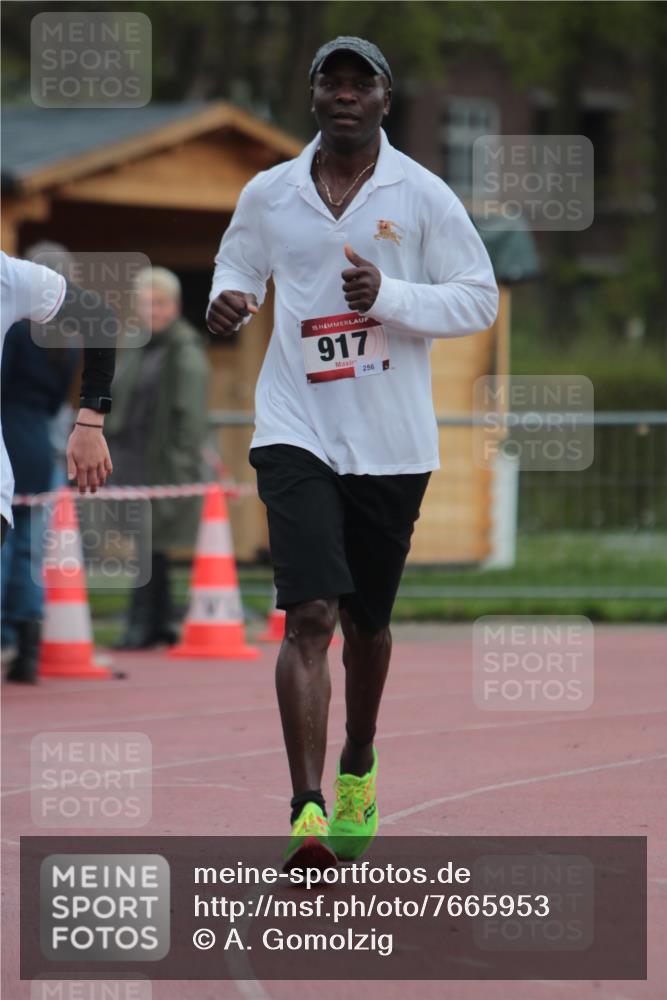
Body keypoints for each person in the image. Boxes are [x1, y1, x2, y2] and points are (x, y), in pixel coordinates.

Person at [207, 36, 498, 871]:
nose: (343, 95)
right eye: (329, 82)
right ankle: (305, 809)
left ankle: (359, 757)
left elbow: (477, 298)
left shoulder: (424, 195)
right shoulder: (269, 192)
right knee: (309, 617)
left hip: (391, 442)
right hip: (295, 427)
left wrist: (392, 296)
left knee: (367, 623)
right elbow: (239, 259)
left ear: (383, 98)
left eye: (358, 83)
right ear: (311, 98)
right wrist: (232, 295)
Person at [105, 267, 210, 650]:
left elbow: (189, 416)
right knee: (147, 544)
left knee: (152, 544)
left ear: (176, 306)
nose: (153, 311)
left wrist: (180, 466)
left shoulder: (185, 350)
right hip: (133, 458)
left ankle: (142, 626)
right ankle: (159, 622)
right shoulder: (136, 344)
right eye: (146, 303)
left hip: (164, 464)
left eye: (160, 303)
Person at [1, 244, 80, 683]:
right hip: (39, 444)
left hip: (6, 436)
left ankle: (5, 636)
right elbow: (56, 401)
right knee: (31, 549)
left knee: (5, 548)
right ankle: (28, 647)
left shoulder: (13, 330)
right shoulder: (65, 340)